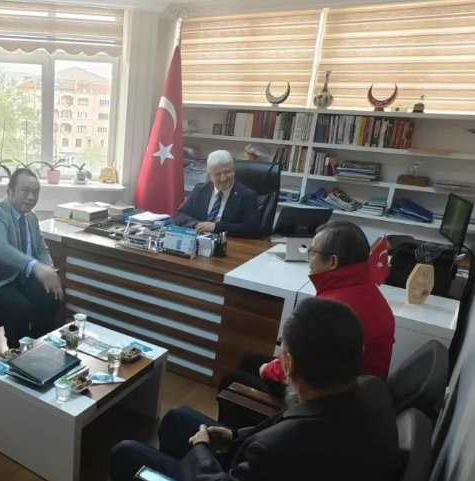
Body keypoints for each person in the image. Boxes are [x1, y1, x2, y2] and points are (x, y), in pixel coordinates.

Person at [110, 298, 402, 481]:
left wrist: (201, 448)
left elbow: (278, 443)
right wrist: (235, 437)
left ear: (288, 363)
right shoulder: (372, 388)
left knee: (126, 453)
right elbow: (288, 427)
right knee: (177, 418)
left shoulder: (277, 447)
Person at [220, 221, 396, 395]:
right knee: (249, 361)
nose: (308, 260)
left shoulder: (333, 310)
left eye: (312, 253)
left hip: (331, 398)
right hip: (357, 388)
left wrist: (268, 369)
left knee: (231, 381)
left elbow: (302, 370)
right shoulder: (366, 290)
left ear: (332, 261)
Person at [0, 168, 62, 349]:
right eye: (25, 191)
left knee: (51, 295)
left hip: (19, 278)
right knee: (19, 307)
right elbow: (0, 248)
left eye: (36, 192)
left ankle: (39, 347)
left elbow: (41, 249)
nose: (31, 197)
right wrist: (36, 267)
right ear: (9, 190)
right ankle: (17, 355)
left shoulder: (31, 217)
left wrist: (49, 270)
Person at [174, 150, 260, 239]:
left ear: (234, 170)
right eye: (218, 174)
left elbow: (252, 229)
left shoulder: (247, 195)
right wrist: (197, 225)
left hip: (228, 243)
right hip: (200, 241)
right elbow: (179, 215)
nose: (223, 178)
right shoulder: (200, 190)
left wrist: (216, 227)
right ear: (210, 176)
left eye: (227, 172)